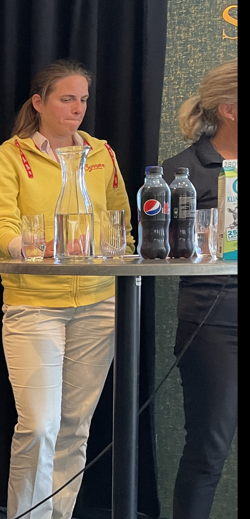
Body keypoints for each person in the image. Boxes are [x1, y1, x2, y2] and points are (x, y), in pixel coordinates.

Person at [0, 59, 134, 518]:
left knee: (73, 427)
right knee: (40, 426)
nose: (78, 108)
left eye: (83, 99)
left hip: (99, 304)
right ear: (38, 102)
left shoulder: (102, 153)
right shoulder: (10, 156)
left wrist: (120, 255)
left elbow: (121, 221)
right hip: (34, 304)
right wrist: (27, 246)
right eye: (67, 98)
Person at [161, 58, 237, 519]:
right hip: (214, 325)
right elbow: (162, 250)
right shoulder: (180, 171)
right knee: (209, 449)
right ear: (229, 109)